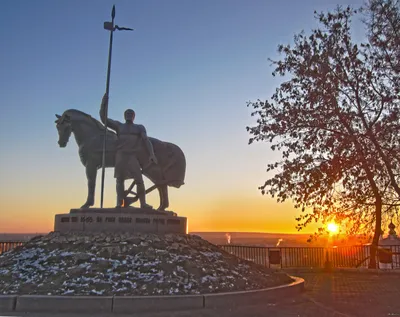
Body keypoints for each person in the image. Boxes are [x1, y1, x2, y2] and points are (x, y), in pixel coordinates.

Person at [100, 94, 158, 208]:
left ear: (134, 116)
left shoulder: (139, 127)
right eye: (127, 113)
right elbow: (104, 119)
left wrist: (152, 154)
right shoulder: (119, 126)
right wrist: (104, 104)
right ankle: (119, 203)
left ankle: (143, 203)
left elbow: (146, 140)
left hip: (132, 156)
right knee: (119, 180)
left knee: (139, 180)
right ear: (124, 116)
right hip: (121, 155)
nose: (129, 115)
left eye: (131, 114)